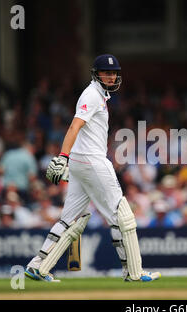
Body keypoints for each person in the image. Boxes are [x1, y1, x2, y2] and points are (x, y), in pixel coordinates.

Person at [25, 54, 161, 282]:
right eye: (106, 73)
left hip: (82, 162)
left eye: (113, 73)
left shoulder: (99, 95)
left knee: (71, 219)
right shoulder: (91, 95)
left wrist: (69, 158)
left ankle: (38, 265)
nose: (110, 76)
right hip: (91, 160)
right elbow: (74, 126)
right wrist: (62, 157)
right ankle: (134, 273)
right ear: (96, 74)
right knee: (122, 215)